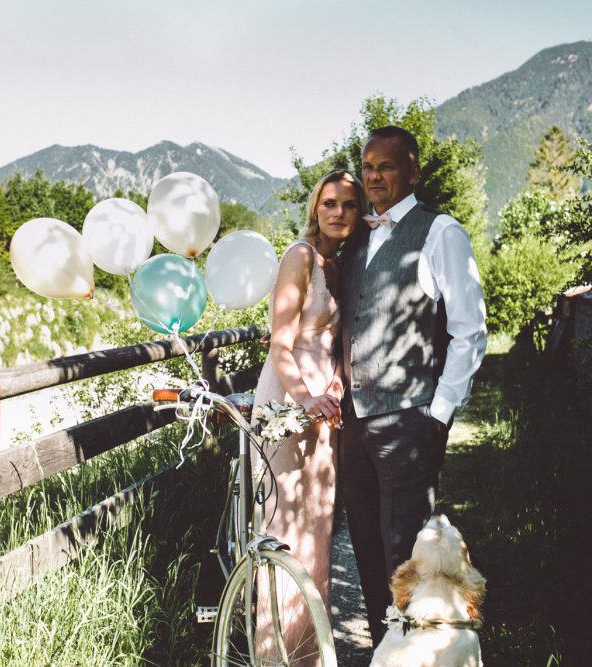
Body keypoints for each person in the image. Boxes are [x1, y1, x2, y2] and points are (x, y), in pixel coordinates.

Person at [337, 125, 487, 646]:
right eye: (368, 166)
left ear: (412, 171)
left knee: (408, 553)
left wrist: (439, 413)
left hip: (409, 418)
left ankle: (419, 651)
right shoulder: (356, 235)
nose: (374, 176)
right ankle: (387, 649)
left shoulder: (440, 232)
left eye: (387, 166)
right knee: (365, 547)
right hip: (353, 422)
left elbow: (469, 330)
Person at [251, 169, 367, 663]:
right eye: (329, 204)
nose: (338, 212)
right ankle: (276, 656)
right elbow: (281, 343)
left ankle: (308, 655)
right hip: (288, 400)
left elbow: (331, 343)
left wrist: (336, 380)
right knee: (287, 531)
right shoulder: (300, 257)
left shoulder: (341, 263)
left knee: (316, 528)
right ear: (314, 210)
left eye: (348, 204)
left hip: (326, 407)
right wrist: (304, 398)